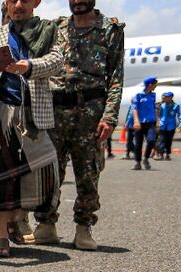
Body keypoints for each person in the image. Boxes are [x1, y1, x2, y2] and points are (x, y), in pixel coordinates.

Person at [0, 0, 63, 258]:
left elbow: (56, 61)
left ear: (36, 3)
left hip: (31, 114)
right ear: (6, 4)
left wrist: (27, 67)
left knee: (43, 169)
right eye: (12, 0)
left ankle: (20, 218)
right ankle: (1, 236)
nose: (18, 5)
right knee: (0, 177)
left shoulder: (47, 30)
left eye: (25, 0)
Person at [23, 0, 124, 250]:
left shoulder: (109, 30)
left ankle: (83, 227)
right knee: (49, 170)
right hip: (55, 108)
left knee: (88, 172)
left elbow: (115, 77)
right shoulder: (56, 27)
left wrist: (109, 116)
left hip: (89, 109)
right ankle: (46, 226)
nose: (77, 1)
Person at [130, 77, 158, 170]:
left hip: (151, 122)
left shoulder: (153, 95)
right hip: (140, 123)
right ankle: (137, 162)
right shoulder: (138, 95)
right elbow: (134, 108)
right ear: (150, 85)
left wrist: (157, 121)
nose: (155, 86)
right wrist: (136, 121)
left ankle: (146, 158)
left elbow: (154, 109)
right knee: (138, 143)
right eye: (155, 84)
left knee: (151, 140)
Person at [157, 92, 179, 160]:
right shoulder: (162, 105)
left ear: (171, 97)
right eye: (165, 97)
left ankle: (167, 154)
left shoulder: (176, 105)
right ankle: (161, 154)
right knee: (162, 140)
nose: (165, 98)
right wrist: (159, 122)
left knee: (169, 141)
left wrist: (180, 124)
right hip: (163, 126)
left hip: (171, 126)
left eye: (167, 97)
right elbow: (160, 115)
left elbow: (179, 115)